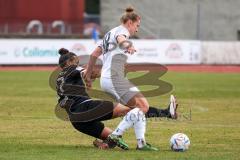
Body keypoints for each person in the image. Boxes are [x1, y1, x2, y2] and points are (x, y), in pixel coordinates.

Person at [84, 7, 178, 151]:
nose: (137, 29)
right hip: (114, 79)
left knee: (135, 109)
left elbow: (94, 54)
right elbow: (121, 39)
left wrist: (89, 75)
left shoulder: (110, 32)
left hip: (109, 79)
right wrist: (128, 45)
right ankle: (113, 139)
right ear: (129, 22)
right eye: (137, 25)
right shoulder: (122, 32)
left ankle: (142, 143)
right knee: (142, 107)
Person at [55, 48, 177, 150]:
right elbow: (89, 72)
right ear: (69, 62)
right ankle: (166, 113)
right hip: (85, 107)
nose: (78, 63)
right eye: (76, 61)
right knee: (134, 110)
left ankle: (104, 144)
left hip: (76, 121)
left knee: (113, 139)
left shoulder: (59, 79)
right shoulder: (72, 69)